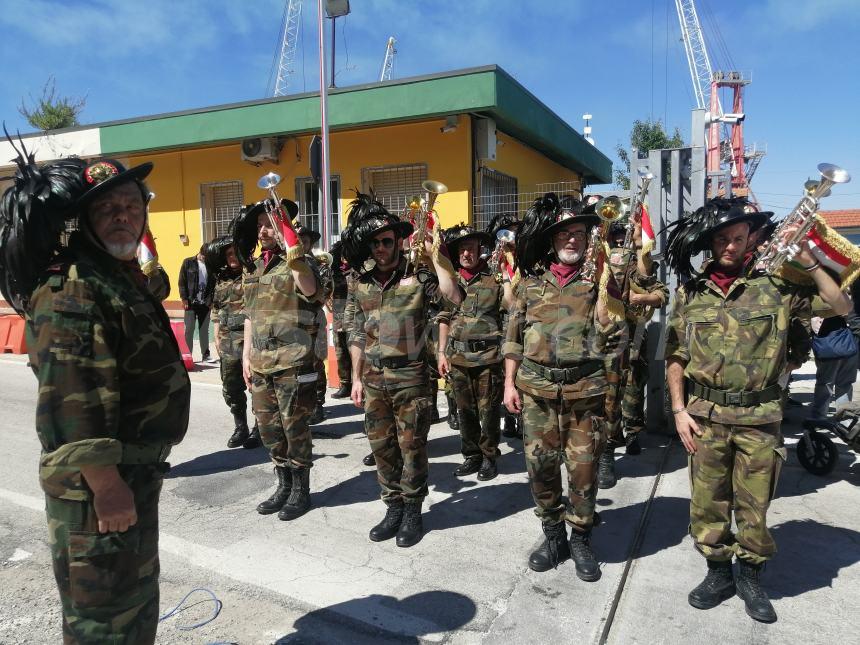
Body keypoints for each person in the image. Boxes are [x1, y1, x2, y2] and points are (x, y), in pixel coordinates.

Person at [0, 151, 191, 643]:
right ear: (82, 220)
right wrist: (106, 484)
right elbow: (72, 396)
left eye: (131, 204)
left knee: (131, 605)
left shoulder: (114, 275)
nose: (123, 215)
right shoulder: (74, 289)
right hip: (96, 488)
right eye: (108, 208)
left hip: (130, 472)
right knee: (105, 621)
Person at [664, 197, 852, 623]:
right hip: (705, 418)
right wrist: (678, 409)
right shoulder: (690, 293)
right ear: (710, 244)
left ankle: (750, 576)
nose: (730, 246)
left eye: (737, 238)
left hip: (759, 419)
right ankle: (718, 573)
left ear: (750, 238)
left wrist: (810, 264)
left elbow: (841, 306)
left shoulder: (779, 287)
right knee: (708, 503)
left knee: (755, 505)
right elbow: (674, 355)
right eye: (722, 239)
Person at [503, 193, 622, 581]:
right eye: (565, 234)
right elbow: (513, 338)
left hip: (583, 395)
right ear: (552, 241)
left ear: (589, 241)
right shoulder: (530, 287)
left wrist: (609, 283)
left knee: (583, 471)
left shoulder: (597, 285)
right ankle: (553, 535)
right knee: (540, 468)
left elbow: (613, 332)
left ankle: (581, 538)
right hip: (536, 393)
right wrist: (509, 383)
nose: (572, 240)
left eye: (579, 234)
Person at [344, 191, 463, 548]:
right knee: (382, 448)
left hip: (411, 376)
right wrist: (354, 377)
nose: (380, 248)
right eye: (374, 243)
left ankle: (413, 511)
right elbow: (354, 331)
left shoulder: (419, 276)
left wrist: (436, 257)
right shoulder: (360, 282)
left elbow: (453, 299)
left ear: (398, 240)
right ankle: (392, 506)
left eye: (386, 241)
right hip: (374, 379)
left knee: (412, 447)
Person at [234, 198, 324, 522]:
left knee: (294, 428)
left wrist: (294, 251)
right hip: (260, 362)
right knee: (269, 430)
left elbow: (313, 291)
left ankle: (301, 489)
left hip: (292, 360)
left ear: (282, 225)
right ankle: (283, 484)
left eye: (269, 223)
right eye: (259, 224)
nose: (263, 230)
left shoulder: (299, 263)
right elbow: (248, 315)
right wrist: (245, 355)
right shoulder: (254, 267)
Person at [438, 224, 513, 480]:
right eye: (462, 249)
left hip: (487, 358)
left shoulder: (493, 279)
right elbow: (444, 317)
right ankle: (471, 455)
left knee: (489, 411)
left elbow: (511, 307)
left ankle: (489, 456)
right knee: (464, 411)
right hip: (458, 358)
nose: (466, 254)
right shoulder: (452, 282)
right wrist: (440, 352)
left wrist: (506, 273)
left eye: (470, 248)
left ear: (479, 250)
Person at [600, 213, 668, 487]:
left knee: (630, 392)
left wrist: (639, 296)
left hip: (631, 337)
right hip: (598, 343)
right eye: (614, 240)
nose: (619, 245)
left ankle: (630, 434)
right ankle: (604, 447)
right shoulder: (598, 263)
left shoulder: (634, 265)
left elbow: (660, 293)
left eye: (623, 240)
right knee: (604, 401)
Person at [207, 234, 260, 449]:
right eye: (228, 254)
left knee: (256, 385)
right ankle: (241, 427)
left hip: (251, 339)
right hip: (228, 340)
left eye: (235, 252)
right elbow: (217, 309)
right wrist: (216, 335)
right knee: (231, 386)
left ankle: (260, 428)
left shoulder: (254, 273)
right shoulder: (221, 279)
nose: (232, 257)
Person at [295, 222, 330, 426]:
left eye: (305, 241)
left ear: (310, 244)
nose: (301, 244)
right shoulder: (288, 264)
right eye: (298, 241)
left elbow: (323, 294)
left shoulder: (319, 265)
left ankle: (318, 403)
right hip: (294, 325)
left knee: (315, 364)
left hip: (313, 322)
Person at [178, 244, 215, 361]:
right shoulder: (188, 262)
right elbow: (181, 281)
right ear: (200, 252)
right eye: (205, 256)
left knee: (204, 330)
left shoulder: (210, 266)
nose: (206, 259)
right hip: (190, 302)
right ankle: (188, 355)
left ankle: (206, 355)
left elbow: (213, 284)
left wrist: (211, 301)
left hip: (205, 303)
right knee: (189, 329)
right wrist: (184, 299)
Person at [330, 241, 355, 399]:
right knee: (340, 351)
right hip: (339, 314)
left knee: (356, 348)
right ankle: (345, 384)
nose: (344, 257)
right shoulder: (334, 271)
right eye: (342, 253)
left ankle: (360, 384)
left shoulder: (358, 269)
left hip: (355, 316)